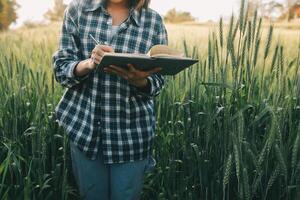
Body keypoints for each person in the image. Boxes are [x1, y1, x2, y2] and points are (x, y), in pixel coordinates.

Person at [52, 0, 168, 199]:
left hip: (132, 135)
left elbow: (158, 80)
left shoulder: (153, 21)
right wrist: (89, 63)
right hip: (85, 130)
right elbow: (62, 69)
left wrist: (140, 82)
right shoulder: (77, 11)